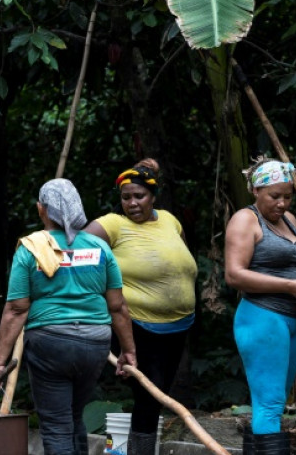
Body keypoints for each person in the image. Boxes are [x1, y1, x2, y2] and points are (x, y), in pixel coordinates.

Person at [0, 178, 136, 455]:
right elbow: (118, 307)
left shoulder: (30, 248)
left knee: (56, 424)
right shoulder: (99, 248)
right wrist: (128, 351)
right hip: (95, 343)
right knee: (72, 414)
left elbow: (16, 310)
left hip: (50, 343)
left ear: (41, 209)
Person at [84, 159, 198, 455]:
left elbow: (181, 258)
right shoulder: (111, 224)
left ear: (153, 196)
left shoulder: (170, 220)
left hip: (178, 325)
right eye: (126, 197)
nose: (132, 203)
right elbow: (74, 255)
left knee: (158, 396)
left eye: (139, 196)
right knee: (151, 393)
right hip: (135, 325)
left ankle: (139, 449)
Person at [224, 157, 296, 455]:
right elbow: (234, 274)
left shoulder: (290, 221)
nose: (282, 203)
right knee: (269, 404)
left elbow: (295, 266)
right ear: (256, 191)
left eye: (288, 196)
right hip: (262, 317)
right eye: (275, 196)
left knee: (274, 402)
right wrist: (289, 287)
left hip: (293, 320)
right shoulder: (245, 220)